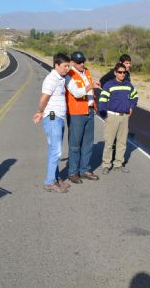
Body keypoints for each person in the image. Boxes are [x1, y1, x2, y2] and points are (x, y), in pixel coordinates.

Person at [32, 53, 72, 193]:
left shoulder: (60, 78)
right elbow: (43, 99)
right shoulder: (51, 79)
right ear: (56, 65)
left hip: (59, 118)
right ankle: (49, 182)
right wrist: (40, 112)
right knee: (56, 151)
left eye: (68, 66)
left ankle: (55, 177)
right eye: (65, 66)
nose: (67, 68)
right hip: (53, 118)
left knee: (53, 150)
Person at [65, 51, 101, 184]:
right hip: (76, 113)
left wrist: (94, 105)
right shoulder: (69, 75)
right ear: (72, 63)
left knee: (88, 143)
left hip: (89, 110)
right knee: (75, 145)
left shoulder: (87, 72)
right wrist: (90, 86)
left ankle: (84, 170)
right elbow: (76, 93)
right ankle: (73, 173)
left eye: (83, 61)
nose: (82, 64)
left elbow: (90, 92)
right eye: (79, 62)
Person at [98, 63, 138, 174]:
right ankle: (106, 165)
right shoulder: (109, 85)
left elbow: (135, 96)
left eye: (124, 72)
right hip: (112, 117)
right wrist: (105, 116)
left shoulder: (128, 85)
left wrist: (131, 107)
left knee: (122, 142)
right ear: (115, 73)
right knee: (109, 142)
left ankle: (118, 164)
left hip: (124, 117)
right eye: (120, 72)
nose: (122, 74)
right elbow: (102, 101)